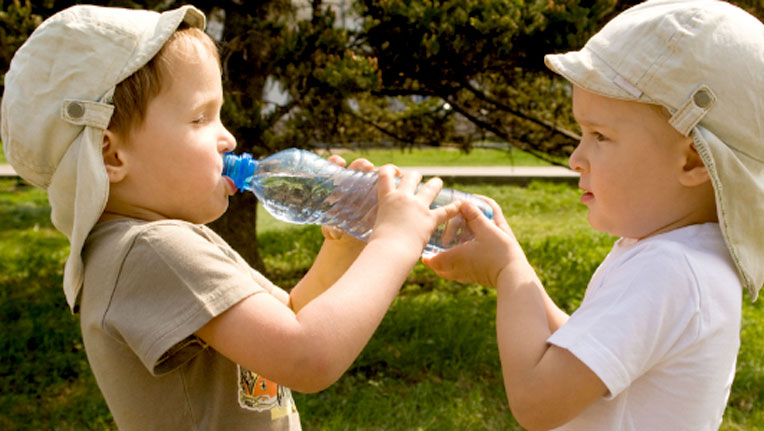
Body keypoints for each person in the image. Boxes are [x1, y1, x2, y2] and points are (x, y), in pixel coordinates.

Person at [1, 5, 460, 430]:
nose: (227, 137)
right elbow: (308, 357)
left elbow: (290, 318)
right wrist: (394, 242)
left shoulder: (167, 241)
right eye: (201, 119)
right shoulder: (152, 250)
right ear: (111, 154)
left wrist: (345, 240)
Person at [423, 1, 764, 430]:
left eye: (599, 135)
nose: (575, 158)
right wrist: (520, 267)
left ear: (693, 161)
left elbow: (536, 401)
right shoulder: (681, 258)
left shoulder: (669, 271)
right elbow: (586, 354)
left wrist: (507, 275)